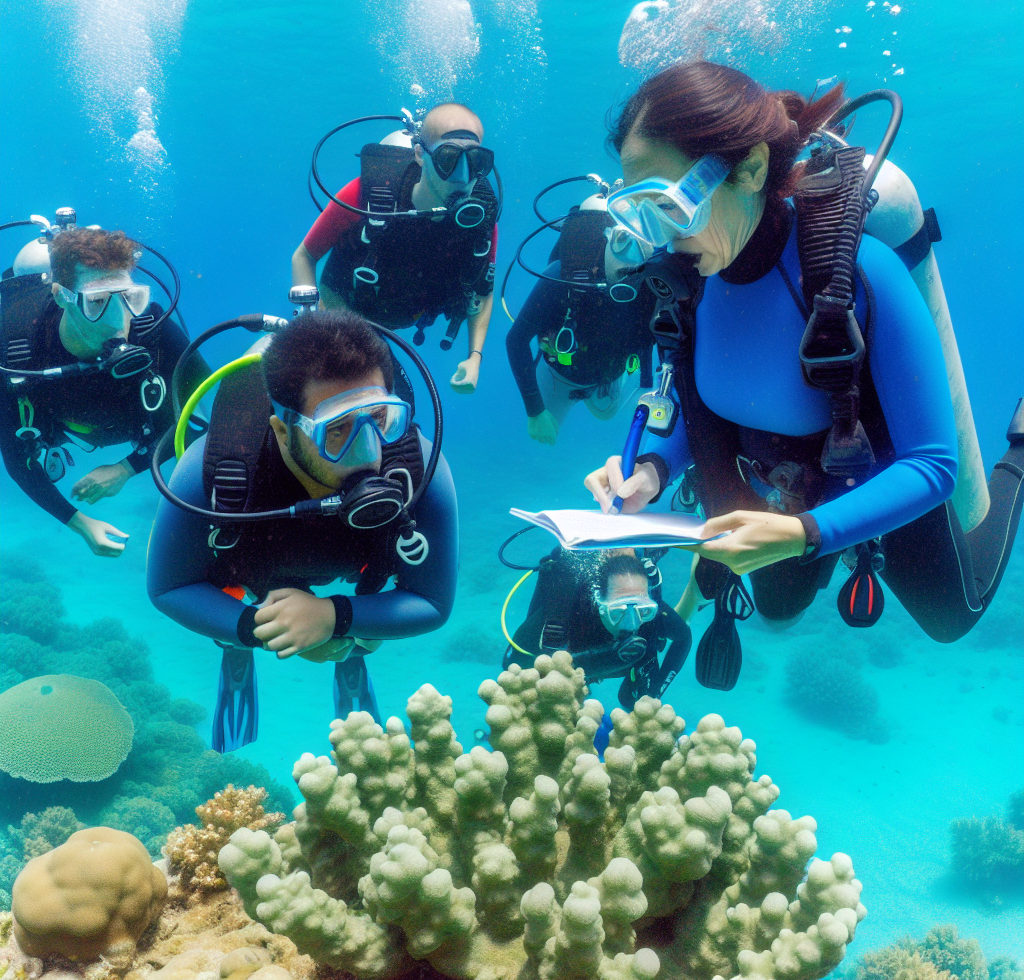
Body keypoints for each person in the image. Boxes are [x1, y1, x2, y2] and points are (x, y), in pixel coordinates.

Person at [584, 61, 1023, 683]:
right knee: (778, 608)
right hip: (780, 487)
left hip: (870, 472)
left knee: (954, 616)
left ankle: (1020, 452)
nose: (661, 240)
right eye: (639, 213)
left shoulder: (858, 274)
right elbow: (701, 405)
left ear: (750, 169)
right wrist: (651, 471)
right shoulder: (690, 282)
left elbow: (933, 464)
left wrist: (806, 533)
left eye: (671, 207)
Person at [147, 309, 458, 751]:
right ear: (281, 430)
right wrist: (255, 629)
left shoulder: (417, 468)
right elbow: (168, 586)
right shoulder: (212, 469)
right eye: (337, 430)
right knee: (225, 615)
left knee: (368, 635)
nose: (368, 452)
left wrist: (335, 618)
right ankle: (235, 644)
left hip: (356, 568)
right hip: (254, 558)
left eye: (379, 418)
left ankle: (356, 645)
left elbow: (433, 602)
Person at [0, 225, 207, 557]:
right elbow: (16, 457)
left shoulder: (152, 329)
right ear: (62, 296)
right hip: (60, 425)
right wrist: (80, 523)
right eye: (97, 301)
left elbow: (200, 419)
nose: (117, 321)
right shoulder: (15, 346)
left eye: (129, 297)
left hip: (134, 429)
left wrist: (125, 469)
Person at [291, 102, 498, 395]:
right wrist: (310, 328)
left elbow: (483, 290)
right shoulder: (367, 194)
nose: (463, 177)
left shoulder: (480, 219)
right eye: (448, 158)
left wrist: (475, 357)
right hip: (344, 310)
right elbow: (304, 255)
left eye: (476, 160)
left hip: (406, 313)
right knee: (392, 399)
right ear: (420, 155)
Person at [506, 197, 658, 445]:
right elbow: (516, 339)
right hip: (558, 376)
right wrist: (535, 410)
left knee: (606, 415)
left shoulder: (650, 284)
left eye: (643, 245)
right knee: (545, 437)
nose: (632, 257)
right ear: (605, 238)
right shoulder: (561, 276)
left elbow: (657, 338)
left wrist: (647, 385)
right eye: (622, 240)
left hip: (609, 376)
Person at [503, 548, 691, 711]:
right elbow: (511, 665)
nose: (632, 624)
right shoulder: (566, 612)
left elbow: (684, 638)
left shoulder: (652, 609)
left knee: (633, 702)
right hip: (572, 669)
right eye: (617, 612)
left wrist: (655, 692)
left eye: (643, 611)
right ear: (598, 602)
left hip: (628, 667)